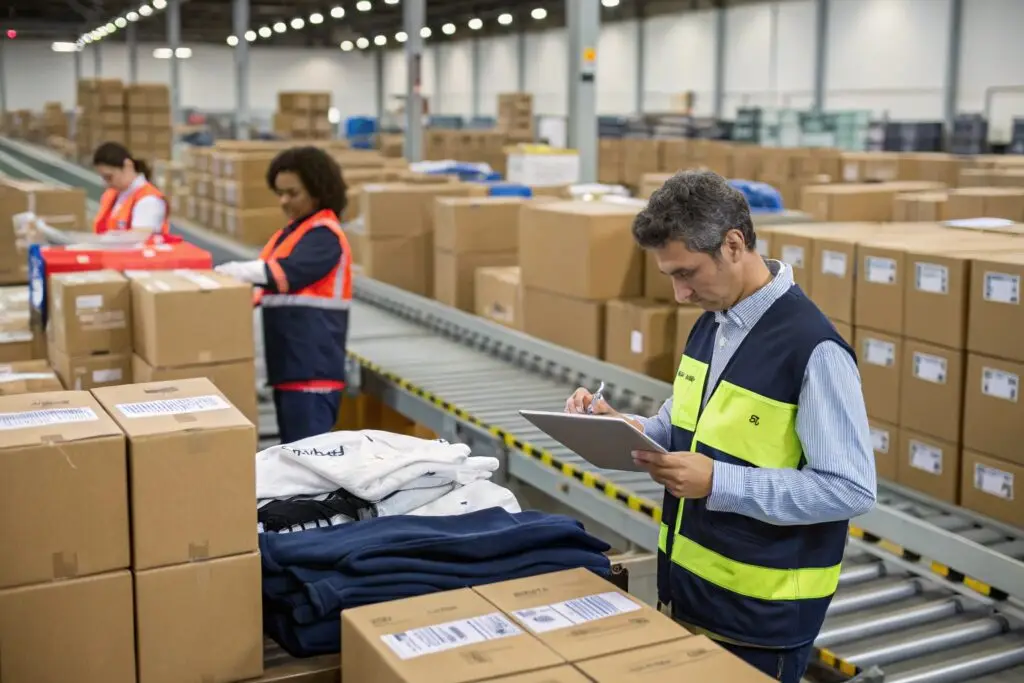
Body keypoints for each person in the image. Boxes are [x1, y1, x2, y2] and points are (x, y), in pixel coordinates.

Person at [565, 170, 876, 683]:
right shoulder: (714, 322)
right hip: (691, 597)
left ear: (733, 244)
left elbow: (850, 489)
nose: (680, 293)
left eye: (687, 273)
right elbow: (680, 427)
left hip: (761, 620)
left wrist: (718, 481)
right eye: (670, 276)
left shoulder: (813, 349)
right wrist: (621, 425)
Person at [215, 146, 352, 445]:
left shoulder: (324, 236)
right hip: (290, 367)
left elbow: (286, 274)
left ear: (318, 191)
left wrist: (233, 271)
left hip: (312, 372)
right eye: (280, 193)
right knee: (293, 456)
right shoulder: (292, 233)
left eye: (293, 193)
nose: (284, 202)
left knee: (308, 460)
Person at [92, 142, 170, 237]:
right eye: (104, 178)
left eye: (109, 177)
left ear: (127, 166)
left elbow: (139, 238)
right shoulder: (111, 196)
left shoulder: (149, 200)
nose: (107, 183)